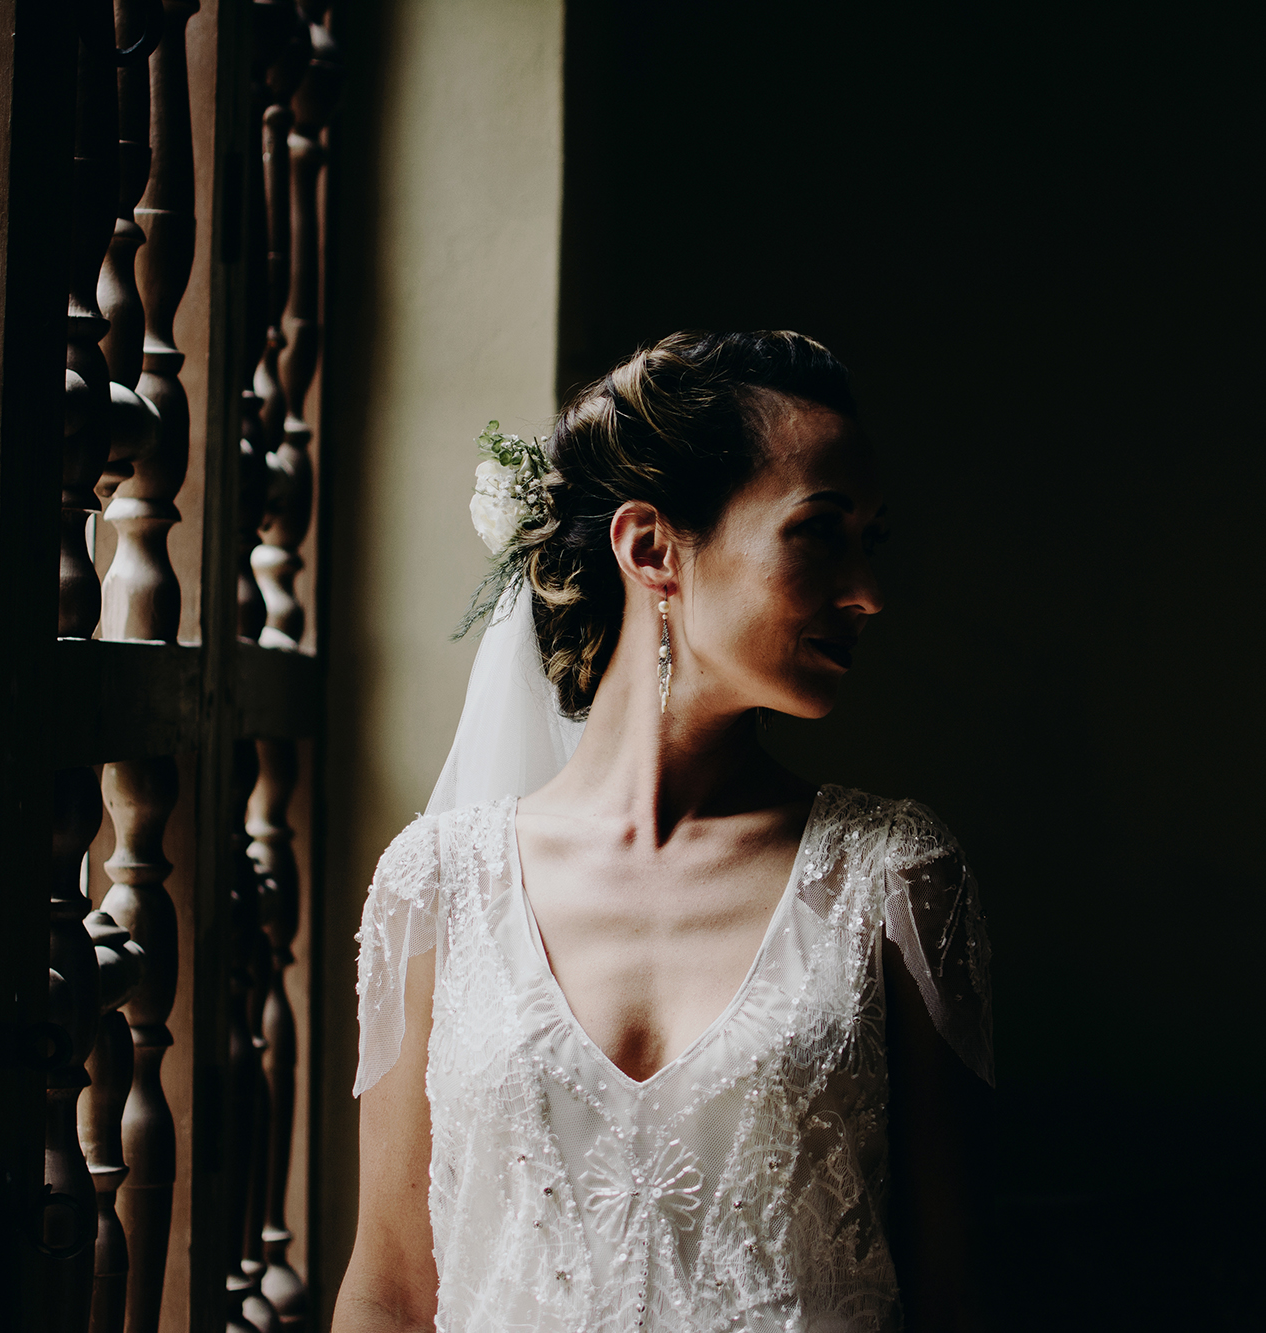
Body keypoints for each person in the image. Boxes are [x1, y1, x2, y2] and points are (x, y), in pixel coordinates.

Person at [334, 331, 994, 1332]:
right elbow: (386, 1286)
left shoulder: (892, 880)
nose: (867, 592)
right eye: (820, 532)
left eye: (872, 538)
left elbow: (955, 1295)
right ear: (650, 548)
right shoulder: (436, 884)